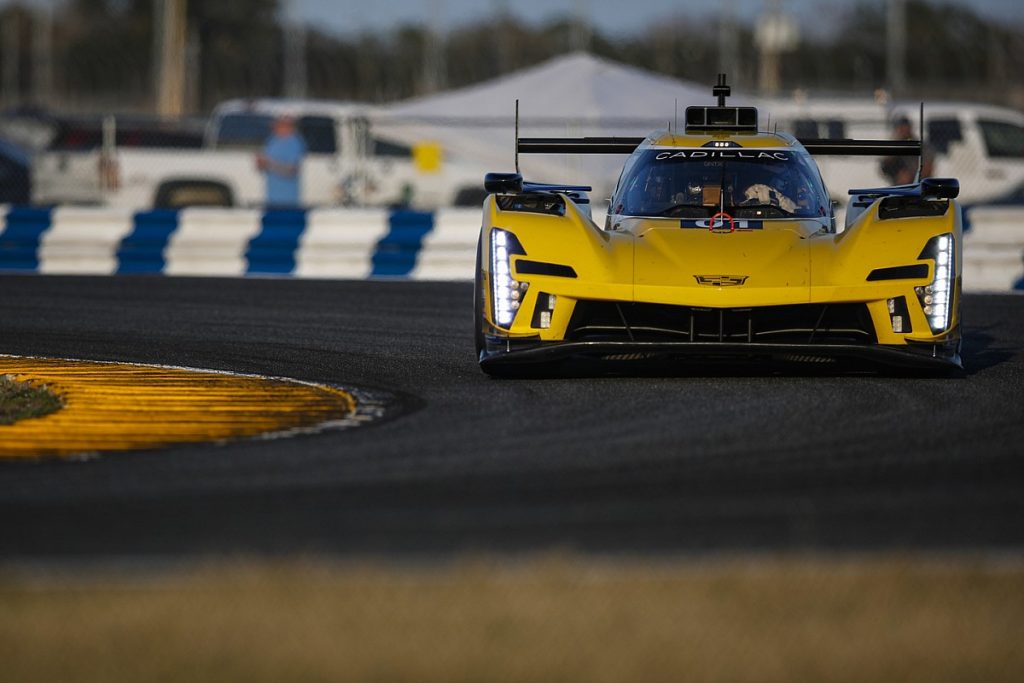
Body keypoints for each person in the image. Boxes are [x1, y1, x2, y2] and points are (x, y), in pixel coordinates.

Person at [256, 115, 306, 207]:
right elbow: (262, 167)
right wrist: (260, 163)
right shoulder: (272, 141)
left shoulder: (294, 143)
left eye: (279, 125)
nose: (275, 128)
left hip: (288, 200)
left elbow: (292, 170)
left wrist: (269, 163)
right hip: (271, 198)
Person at [880, 115, 933, 186]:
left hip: (918, 185)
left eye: (905, 128)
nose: (903, 131)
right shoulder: (894, 146)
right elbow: (885, 166)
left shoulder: (921, 146)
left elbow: (928, 168)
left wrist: (911, 175)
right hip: (898, 185)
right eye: (900, 128)